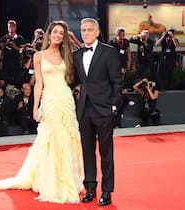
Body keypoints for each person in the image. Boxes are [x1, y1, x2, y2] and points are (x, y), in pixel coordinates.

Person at [0, 21, 83, 204]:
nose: (58, 35)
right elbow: (39, 84)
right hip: (50, 101)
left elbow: (86, 54)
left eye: (62, 33)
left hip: (66, 101)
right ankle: (51, 180)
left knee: (68, 138)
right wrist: (35, 107)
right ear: (49, 34)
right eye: (55, 32)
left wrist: (74, 39)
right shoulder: (38, 56)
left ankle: (69, 179)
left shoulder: (67, 55)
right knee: (50, 140)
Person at [73, 18, 122, 206]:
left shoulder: (108, 52)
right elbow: (75, 80)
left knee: (106, 153)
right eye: (83, 30)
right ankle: (90, 187)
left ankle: (107, 191)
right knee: (87, 152)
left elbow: (117, 81)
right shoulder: (77, 55)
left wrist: (114, 105)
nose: (85, 33)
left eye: (89, 30)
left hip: (104, 110)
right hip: (85, 109)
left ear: (97, 32)